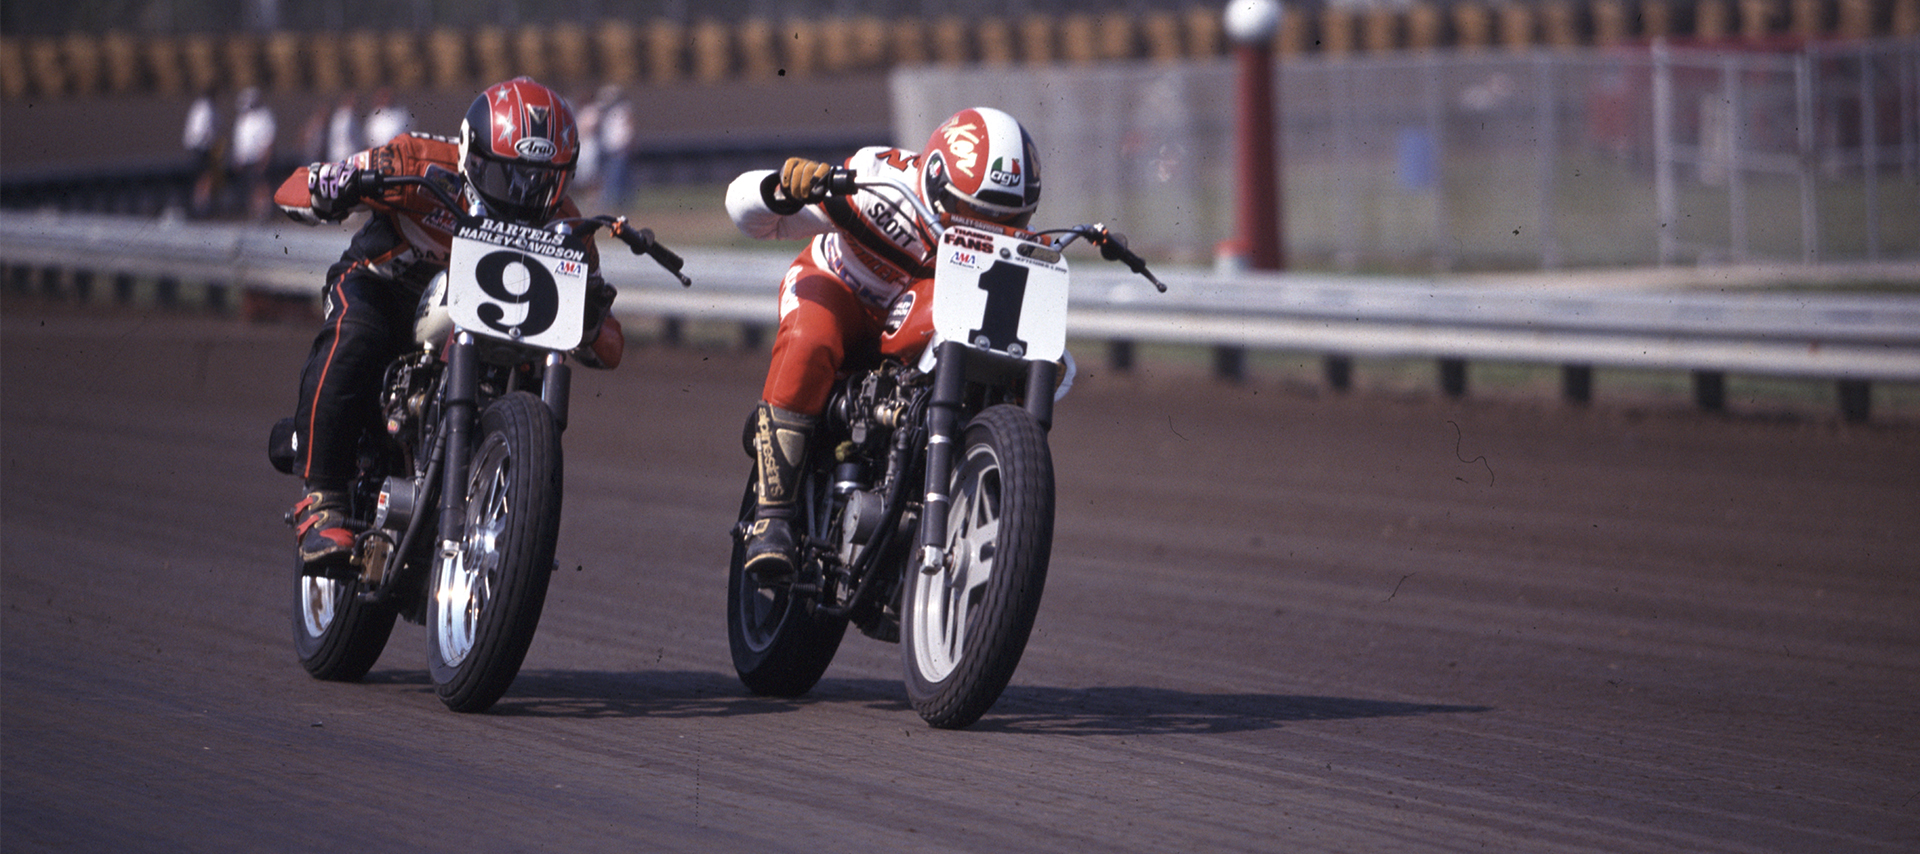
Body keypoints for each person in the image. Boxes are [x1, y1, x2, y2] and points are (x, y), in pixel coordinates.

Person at [274, 77, 624, 574]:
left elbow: (611, 345)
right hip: (386, 288)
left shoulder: (566, 227)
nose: (524, 193)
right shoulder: (415, 161)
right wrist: (331, 186)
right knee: (357, 333)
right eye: (510, 176)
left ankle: (510, 503)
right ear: (472, 153)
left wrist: (589, 319)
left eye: (542, 179)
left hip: (478, 328)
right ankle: (322, 500)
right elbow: (293, 188)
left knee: (532, 353)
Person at [722, 106, 1043, 582]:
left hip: (918, 324)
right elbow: (747, 215)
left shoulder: (1021, 252)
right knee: (813, 338)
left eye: (1009, 216)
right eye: (975, 212)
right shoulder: (875, 183)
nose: (989, 230)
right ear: (936, 185)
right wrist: (782, 188)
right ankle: (773, 514)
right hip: (839, 292)